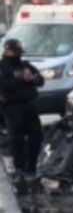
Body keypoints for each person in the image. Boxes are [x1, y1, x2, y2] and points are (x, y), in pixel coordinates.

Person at [0, 39, 44, 177]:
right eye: (14, 51)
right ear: (7, 50)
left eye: (18, 51)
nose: (17, 54)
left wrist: (32, 78)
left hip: (29, 105)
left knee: (36, 136)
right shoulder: (2, 67)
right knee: (17, 138)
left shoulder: (25, 65)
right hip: (12, 106)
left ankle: (31, 166)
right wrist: (22, 80)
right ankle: (20, 167)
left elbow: (40, 80)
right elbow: (4, 85)